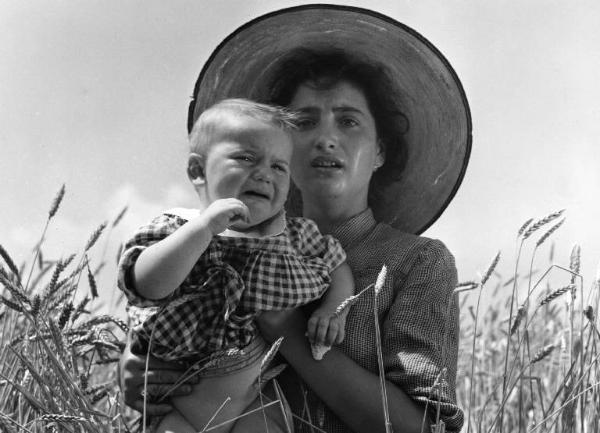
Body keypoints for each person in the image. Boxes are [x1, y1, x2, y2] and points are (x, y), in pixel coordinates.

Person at [119, 5, 472, 433]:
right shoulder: (209, 239)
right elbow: (155, 316)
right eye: (305, 122)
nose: (326, 139)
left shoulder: (416, 263)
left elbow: (421, 428)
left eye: (348, 121)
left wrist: (286, 326)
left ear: (380, 150)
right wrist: (139, 367)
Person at [117, 98, 354, 433]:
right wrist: (202, 230)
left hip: (253, 396)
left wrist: (333, 309)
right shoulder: (179, 227)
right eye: (245, 158)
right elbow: (145, 283)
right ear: (198, 171)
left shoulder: (296, 235)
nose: (263, 174)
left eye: (279, 167)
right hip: (179, 397)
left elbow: (336, 264)